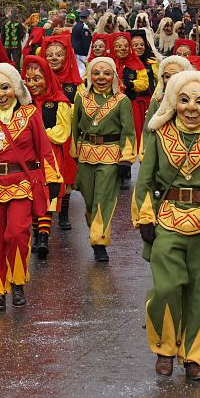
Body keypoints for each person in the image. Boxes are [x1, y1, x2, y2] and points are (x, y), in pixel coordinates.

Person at [133, 71, 200, 381]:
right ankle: (165, 349)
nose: (192, 108)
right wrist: (145, 217)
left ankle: (194, 357)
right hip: (168, 220)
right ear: (173, 102)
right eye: (184, 100)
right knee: (166, 287)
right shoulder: (158, 132)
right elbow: (146, 178)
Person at [0, 63, 62, 309]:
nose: (0, 95)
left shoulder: (30, 114)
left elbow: (45, 150)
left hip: (21, 185)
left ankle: (17, 283)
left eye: (5, 87)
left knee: (17, 233)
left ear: (16, 87)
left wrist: (54, 179)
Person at [70, 56, 136, 263]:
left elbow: (129, 131)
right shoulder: (81, 98)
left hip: (111, 155)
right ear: (90, 75)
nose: (101, 77)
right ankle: (95, 230)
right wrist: (73, 155)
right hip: (86, 154)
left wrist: (126, 159)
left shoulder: (122, 101)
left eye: (106, 73)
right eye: (96, 73)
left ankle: (100, 243)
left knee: (103, 200)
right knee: (90, 201)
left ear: (113, 76)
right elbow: (74, 129)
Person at [21, 55, 72, 258]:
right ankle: (37, 232)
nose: (32, 84)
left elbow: (63, 131)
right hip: (29, 154)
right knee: (32, 191)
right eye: (29, 79)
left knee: (48, 191)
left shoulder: (59, 103)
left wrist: (40, 134)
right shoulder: (23, 103)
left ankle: (43, 236)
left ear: (47, 78)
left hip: (51, 153)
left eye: (37, 79)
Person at [42, 35, 84, 230]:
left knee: (66, 174)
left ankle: (64, 213)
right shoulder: (37, 81)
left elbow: (82, 106)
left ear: (66, 56)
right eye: (49, 55)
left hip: (68, 134)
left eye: (59, 54)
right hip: (45, 133)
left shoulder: (75, 83)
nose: (54, 58)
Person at [111, 32, 150, 189]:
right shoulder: (110, 63)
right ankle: (120, 172)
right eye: (118, 46)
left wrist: (131, 84)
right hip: (113, 105)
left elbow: (144, 83)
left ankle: (135, 168)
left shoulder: (137, 64)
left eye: (125, 46)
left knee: (133, 135)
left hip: (131, 104)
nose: (122, 49)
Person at [70, 11, 93, 76]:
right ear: (87, 17)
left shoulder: (76, 26)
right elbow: (86, 41)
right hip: (82, 52)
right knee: (82, 68)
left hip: (75, 50)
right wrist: (87, 52)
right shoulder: (84, 27)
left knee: (77, 67)